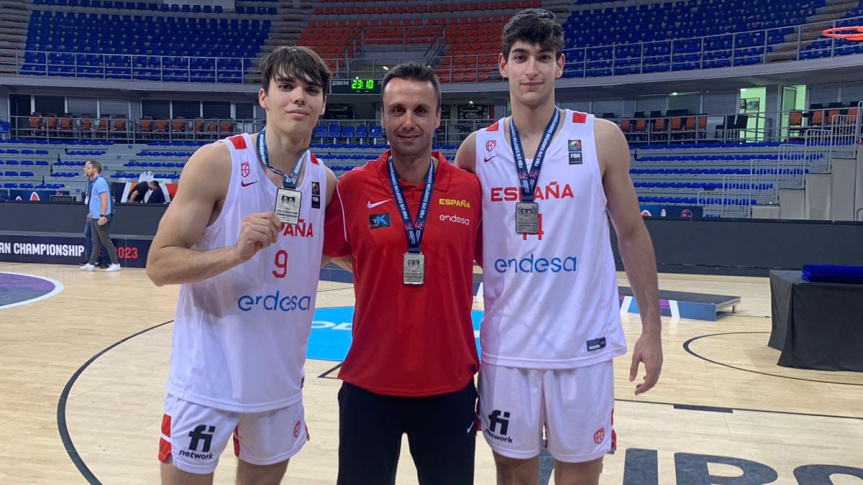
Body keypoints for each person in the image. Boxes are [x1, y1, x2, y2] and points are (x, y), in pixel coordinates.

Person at [454, 9, 663, 485]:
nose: (533, 69)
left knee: (580, 476)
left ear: (560, 66)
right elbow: (456, 245)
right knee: (513, 476)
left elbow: (631, 234)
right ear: (502, 65)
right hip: (507, 349)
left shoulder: (600, 138)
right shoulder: (476, 150)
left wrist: (650, 329)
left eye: (543, 58)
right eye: (522, 57)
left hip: (582, 348)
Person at [146, 45, 336, 485]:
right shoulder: (218, 163)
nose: (298, 98)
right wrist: (234, 252)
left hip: (278, 386)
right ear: (264, 97)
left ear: (323, 103)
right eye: (286, 86)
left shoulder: (324, 182)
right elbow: (159, 264)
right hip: (206, 382)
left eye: (310, 89)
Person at [323, 62, 482, 485]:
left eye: (419, 110)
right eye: (397, 110)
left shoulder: (469, 189)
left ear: (436, 117)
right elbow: (323, 252)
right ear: (382, 117)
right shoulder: (353, 188)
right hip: (368, 387)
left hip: (449, 387)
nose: (408, 121)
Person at [80, 160, 121, 272]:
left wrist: (102, 215)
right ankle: (91, 263)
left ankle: (115, 263)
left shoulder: (100, 182)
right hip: (94, 216)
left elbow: (104, 199)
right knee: (95, 241)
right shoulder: (93, 181)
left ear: (94, 169)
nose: (85, 170)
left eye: (88, 168)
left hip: (100, 216)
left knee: (105, 240)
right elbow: (94, 200)